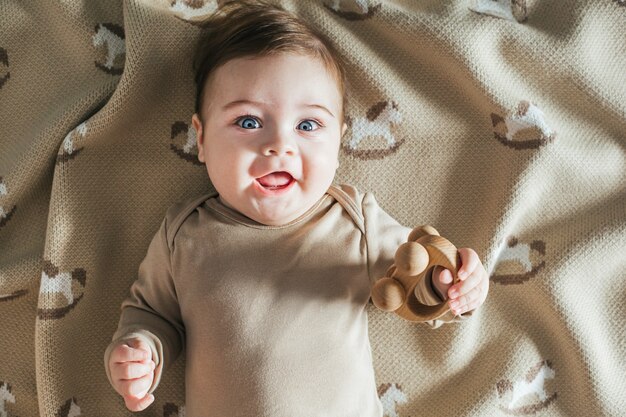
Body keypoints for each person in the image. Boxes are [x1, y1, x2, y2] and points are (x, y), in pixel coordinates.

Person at [104, 1, 490, 415]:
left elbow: (416, 281)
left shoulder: (352, 220)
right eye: (249, 122)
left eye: (307, 126)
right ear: (201, 139)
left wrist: (456, 285)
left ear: (338, 144)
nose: (279, 145)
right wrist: (137, 353)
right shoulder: (184, 233)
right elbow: (150, 314)